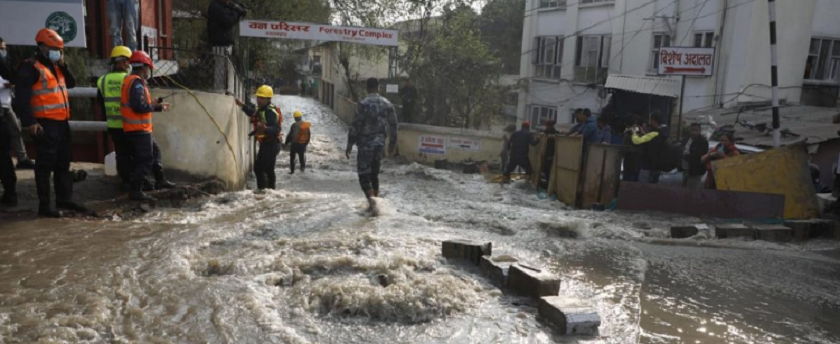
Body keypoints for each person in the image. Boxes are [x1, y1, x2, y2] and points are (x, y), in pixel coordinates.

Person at [14, 28, 88, 217]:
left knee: (63, 163)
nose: (59, 52)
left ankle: (64, 199)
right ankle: (45, 206)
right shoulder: (30, 67)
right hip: (45, 124)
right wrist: (30, 122)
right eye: (56, 49)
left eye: (61, 49)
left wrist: (64, 65)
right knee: (45, 166)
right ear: (42, 47)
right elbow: (22, 97)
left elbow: (71, 83)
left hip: (61, 123)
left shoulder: (56, 67)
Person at [121, 50, 174, 201]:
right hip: (138, 130)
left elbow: (139, 103)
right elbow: (138, 107)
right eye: (148, 69)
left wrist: (153, 102)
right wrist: (158, 108)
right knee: (145, 160)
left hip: (140, 129)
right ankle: (136, 191)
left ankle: (160, 180)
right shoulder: (136, 83)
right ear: (143, 67)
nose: (148, 72)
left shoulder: (132, 81)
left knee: (155, 152)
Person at [346, 78, 398, 210]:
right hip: (380, 144)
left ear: (367, 88)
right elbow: (393, 125)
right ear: (378, 87)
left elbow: (356, 125)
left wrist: (350, 143)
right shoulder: (387, 103)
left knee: (363, 174)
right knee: (374, 174)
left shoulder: (363, 104)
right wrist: (392, 143)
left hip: (365, 145)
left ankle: (372, 202)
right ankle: (376, 204)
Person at [97, 46, 134, 190]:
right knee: (134, 153)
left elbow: (100, 102)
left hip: (113, 124)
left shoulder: (103, 80)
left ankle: (125, 181)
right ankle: (135, 182)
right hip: (131, 124)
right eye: (128, 61)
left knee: (121, 153)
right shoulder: (130, 79)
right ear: (123, 62)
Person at [233, 85, 282, 190]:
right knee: (269, 170)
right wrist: (242, 105)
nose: (259, 100)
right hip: (269, 144)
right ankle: (271, 192)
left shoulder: (270, 112)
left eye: (262, 98)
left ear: (269, 99)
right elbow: (253, 113)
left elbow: (276, 129)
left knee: (258, 168)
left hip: (271, 144)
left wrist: (265, 128)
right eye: (258, 97)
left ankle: (262, 191)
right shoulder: (261, 108)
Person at [0, 37, 35, 170]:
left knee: (16, 129)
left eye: (4, 49)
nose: (3, 51)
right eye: (1, 49)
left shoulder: (5, 65)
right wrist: (5, 85)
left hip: (6, 104)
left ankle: (23, 158)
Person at [207, 0, 246, 91]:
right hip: (220, 43)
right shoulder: (216, 6)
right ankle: (220, 90)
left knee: (227, 70)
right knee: (221, 70)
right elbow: (228, 21)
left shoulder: (224, 7)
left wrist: (238, 8)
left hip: (226, 43)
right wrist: (237, 11)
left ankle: (226, 90)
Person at [632, 112, 669, 184]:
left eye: (650, 119)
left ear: (653, 120)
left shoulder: (654, 132)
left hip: (647, 164)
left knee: (643, 185)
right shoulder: (664, 131)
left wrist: (636, 133)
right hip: (657, 165)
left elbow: (639, 141)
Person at [681, 123, 709, 189]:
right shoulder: (686, 139)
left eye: (696, 130)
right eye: (692, 130)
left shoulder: (703, 142)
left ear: (699, 131)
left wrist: (686, 156)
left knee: (692, 190)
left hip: (695, 171)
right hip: (685, 168)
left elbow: (699, 156)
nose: (694, 132)